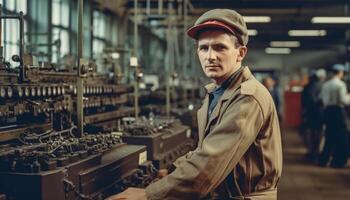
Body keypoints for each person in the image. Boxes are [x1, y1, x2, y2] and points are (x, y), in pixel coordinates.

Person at [107, 9, 282, 200]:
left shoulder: (247, 97)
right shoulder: (218, 92)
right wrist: (174, 170)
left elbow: (210, 163)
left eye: (219, 48)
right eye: (203, 48)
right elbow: (204, 149)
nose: (210, 56)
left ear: (240, 53)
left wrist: (149, 195)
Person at [318, 64, 350, 168]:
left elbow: (321, 99)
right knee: (341, 138)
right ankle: (338, 162)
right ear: (340, 72)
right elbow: (343, 100)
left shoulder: (326, 84)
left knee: (329, 137)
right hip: (338, 112)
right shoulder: (340, 85)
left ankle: (323, 160)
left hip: (328, 112)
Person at [301, 69, 326, 160]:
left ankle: (312, 152)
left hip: (309, 113)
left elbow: (304, 101)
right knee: (319, 134)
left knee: (311, 133)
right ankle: (317, 152)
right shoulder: (322, 85)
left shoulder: (307, 87)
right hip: (319, 113)